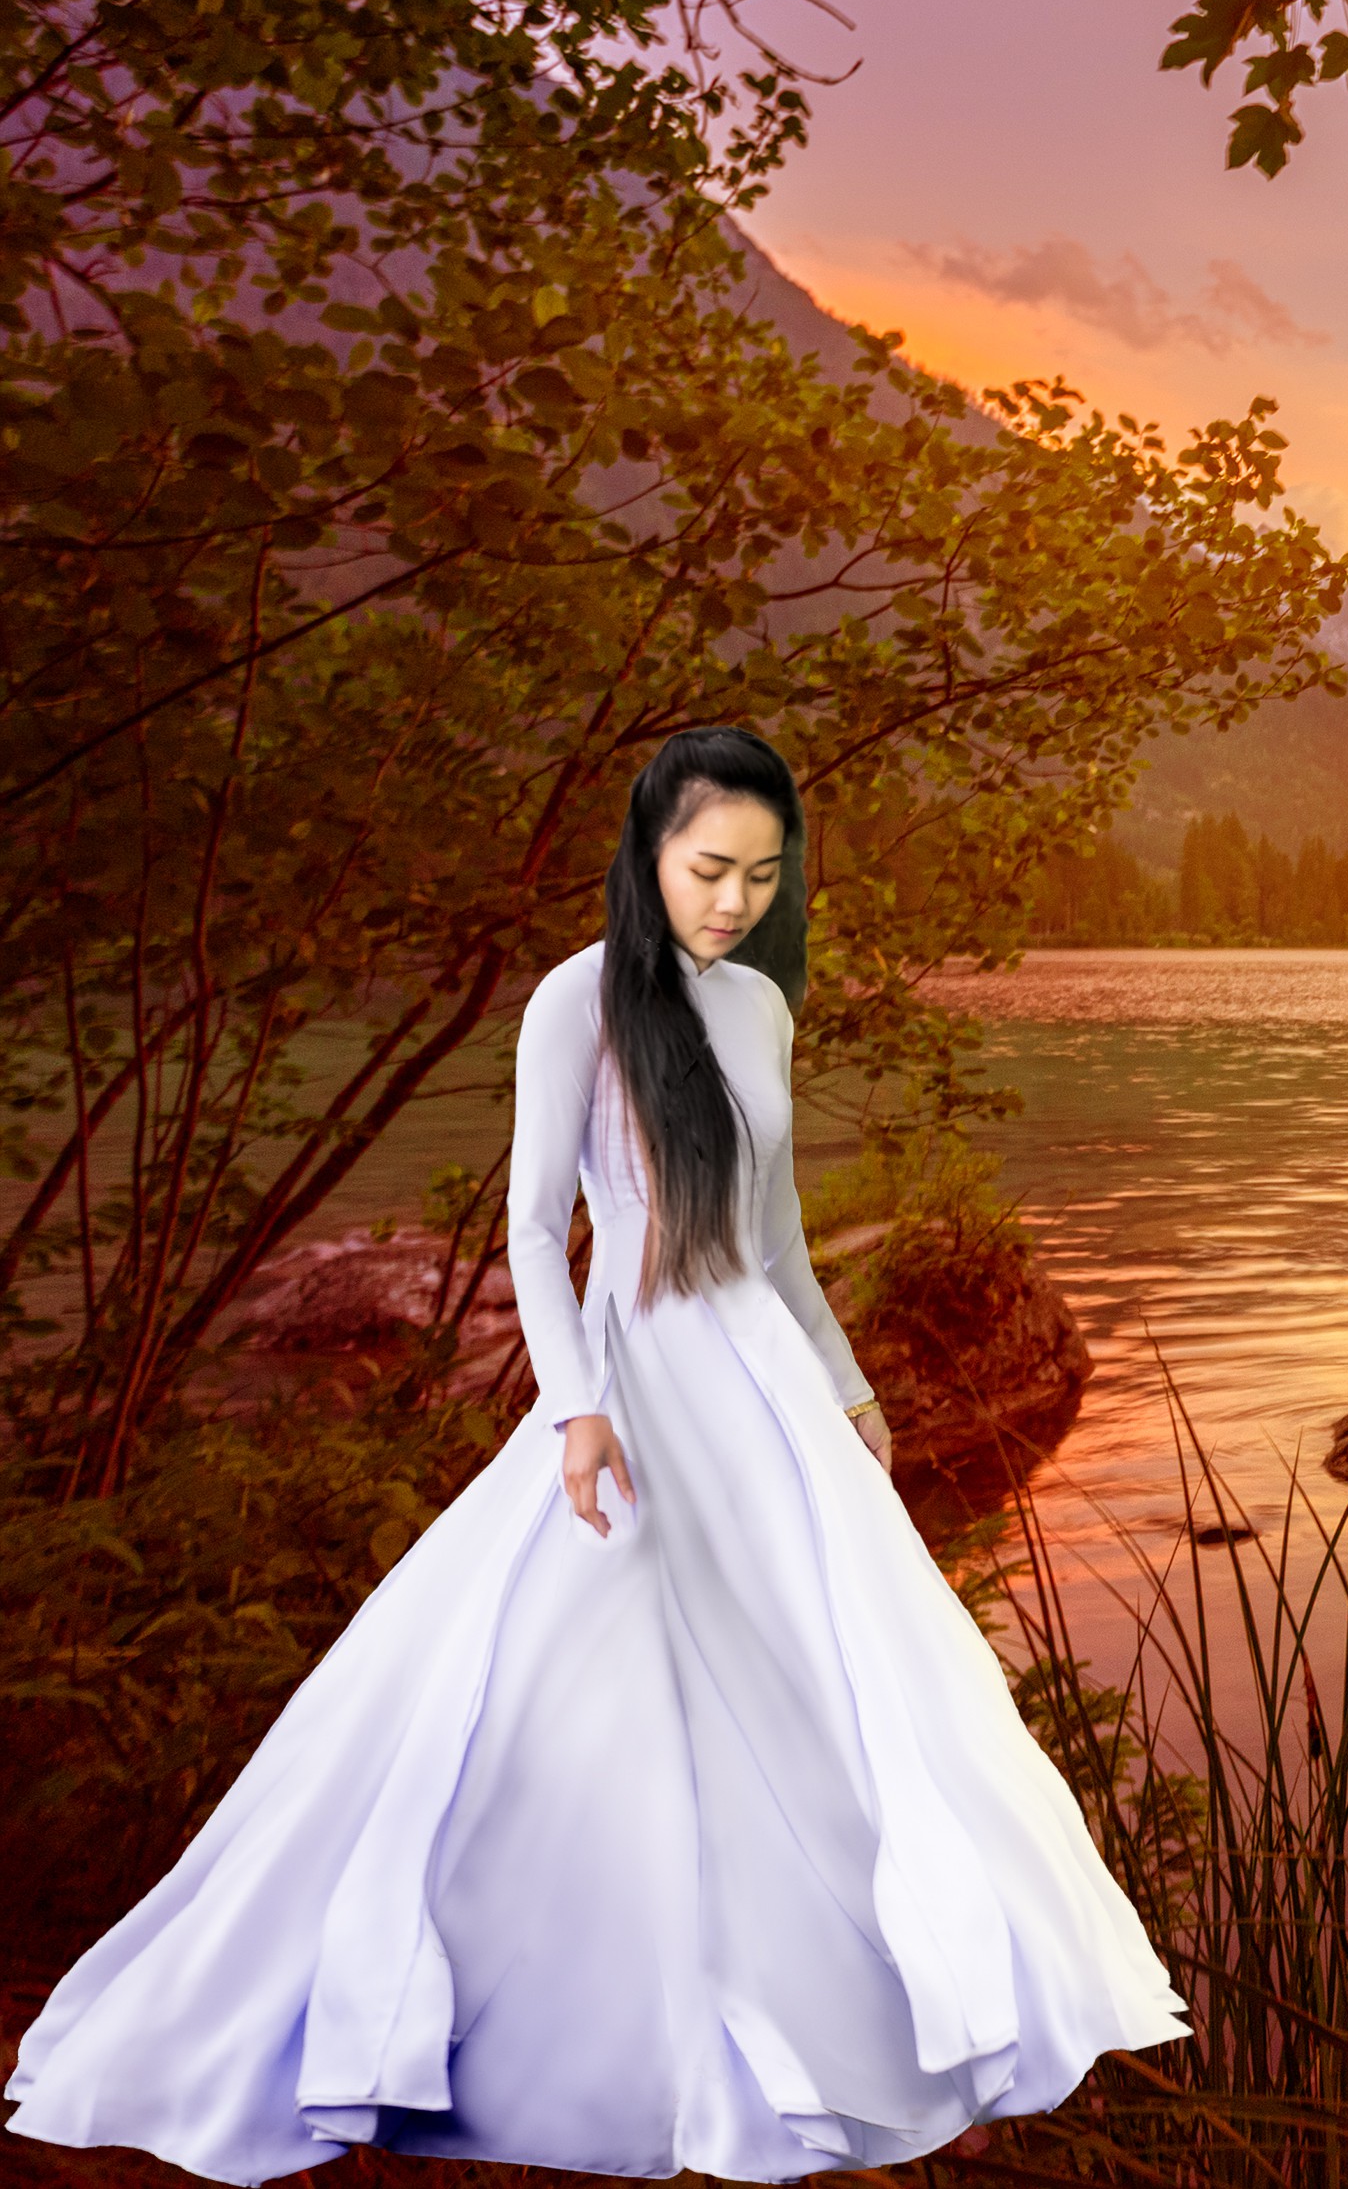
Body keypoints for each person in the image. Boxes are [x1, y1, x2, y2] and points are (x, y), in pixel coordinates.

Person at [6, 727, 1189, 2183]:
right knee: (574, 1673)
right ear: (646, 855)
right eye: (708, 868)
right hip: (634, 1374)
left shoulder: (759, 1008)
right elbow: (526, 1231)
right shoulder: (576, 998)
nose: (735, 899)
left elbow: (777, 1237)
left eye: (762, 873)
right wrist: (575, 1403)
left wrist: (848, 1383)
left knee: (837, 1676)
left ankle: (854, 2002)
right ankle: (581, 2027)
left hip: (760, 1376)